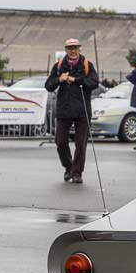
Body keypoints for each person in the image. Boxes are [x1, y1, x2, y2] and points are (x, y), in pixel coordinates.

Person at [44, 38, 99, 184]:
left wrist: (75, 79)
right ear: (66, 50)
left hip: (82, 110)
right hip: (64, 109)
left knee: (81, 144)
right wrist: (59, 79)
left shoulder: (87, 65)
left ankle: (77, 173)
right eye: (70, 48)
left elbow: (94, 83)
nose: (73, 51)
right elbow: (48, 85)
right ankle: (68, 167)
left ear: (80, 49)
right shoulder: (59, 65)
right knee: (60, 141)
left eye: (75, 48)